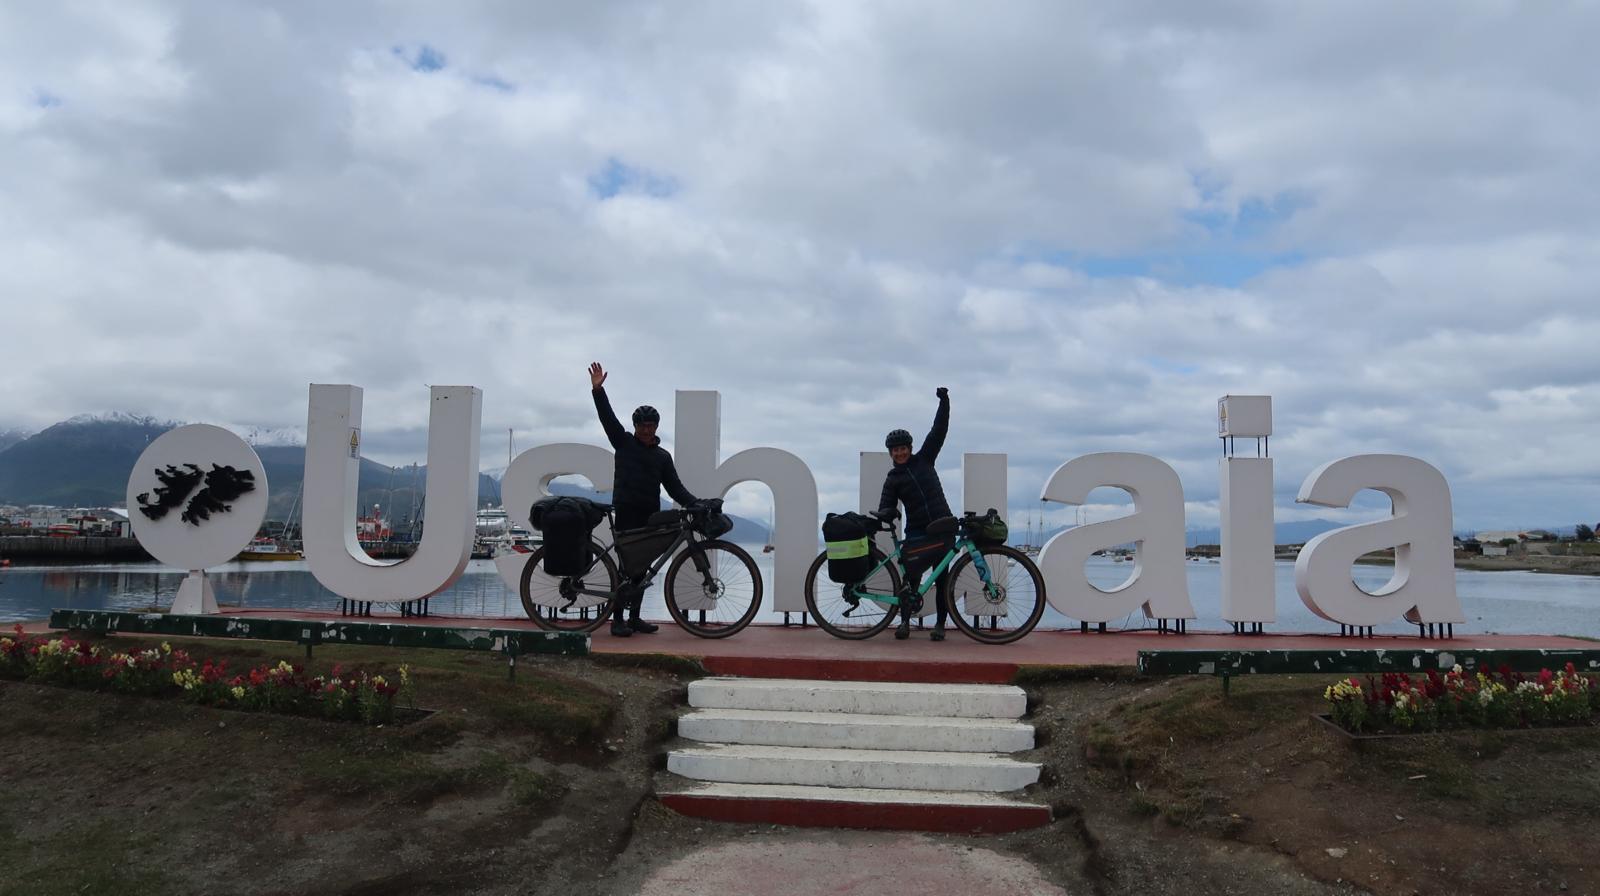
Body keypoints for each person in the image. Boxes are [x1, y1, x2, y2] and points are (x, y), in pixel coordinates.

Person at [589, 361, 702, 637]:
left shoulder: (662, 457)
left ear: (656, 426)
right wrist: (597, 391)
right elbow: (608, 419)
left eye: (651, 426)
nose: (647, 430)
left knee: (642, 568)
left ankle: (635, 617)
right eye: (642, 426)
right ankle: (617, 620)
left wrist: (696, 503)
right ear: (636, 426)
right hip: (627, 511)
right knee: (627, 567)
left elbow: (675, 488)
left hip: (649, 514)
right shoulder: (624, 443)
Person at [878, 386, 953, 641]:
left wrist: (944, 401)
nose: (899, 453)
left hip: (942, 525)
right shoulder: (893, 478)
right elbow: (886, 504)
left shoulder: (926, 459)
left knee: (942, 579)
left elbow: (939, 430)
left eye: (903, 448)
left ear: (910, 448)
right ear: (890, 453)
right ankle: (905, 622)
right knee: (911, 579)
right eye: (894, 450)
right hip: (918, 531)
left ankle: (940, 624)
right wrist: (885, 513)